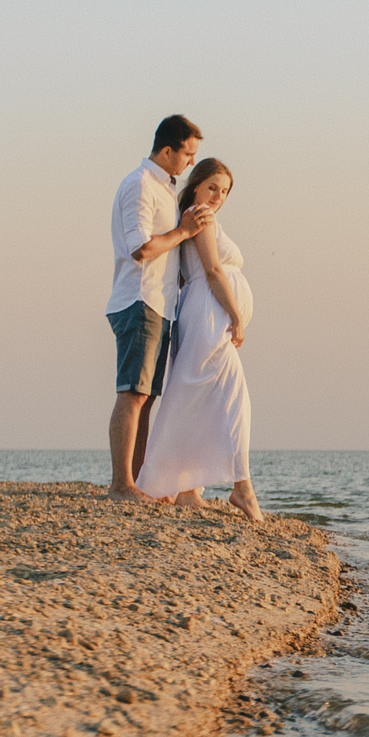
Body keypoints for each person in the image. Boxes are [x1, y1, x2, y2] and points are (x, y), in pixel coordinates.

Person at [136, 157, 265, 523]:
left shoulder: (194, 218)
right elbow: (212, 271)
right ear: (196, 185)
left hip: (202, 313)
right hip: (209, 316)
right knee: (234, 400)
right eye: (212, 187)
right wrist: (236, 316)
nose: (218, 197)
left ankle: (188, 490)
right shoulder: (200, 216)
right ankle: (242, 489)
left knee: (197, 399)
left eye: (224, 192)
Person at [106, 115, 213, 500]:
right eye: (187, 154)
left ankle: (138, 483)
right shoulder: (140, 185)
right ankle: (121, 484)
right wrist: (183, 231)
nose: (191, 162)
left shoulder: (165, 189)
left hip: (161, 304)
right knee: (132, 393)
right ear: (167, 150)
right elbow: (141, 248)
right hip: (139, 299)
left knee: (147, 397)